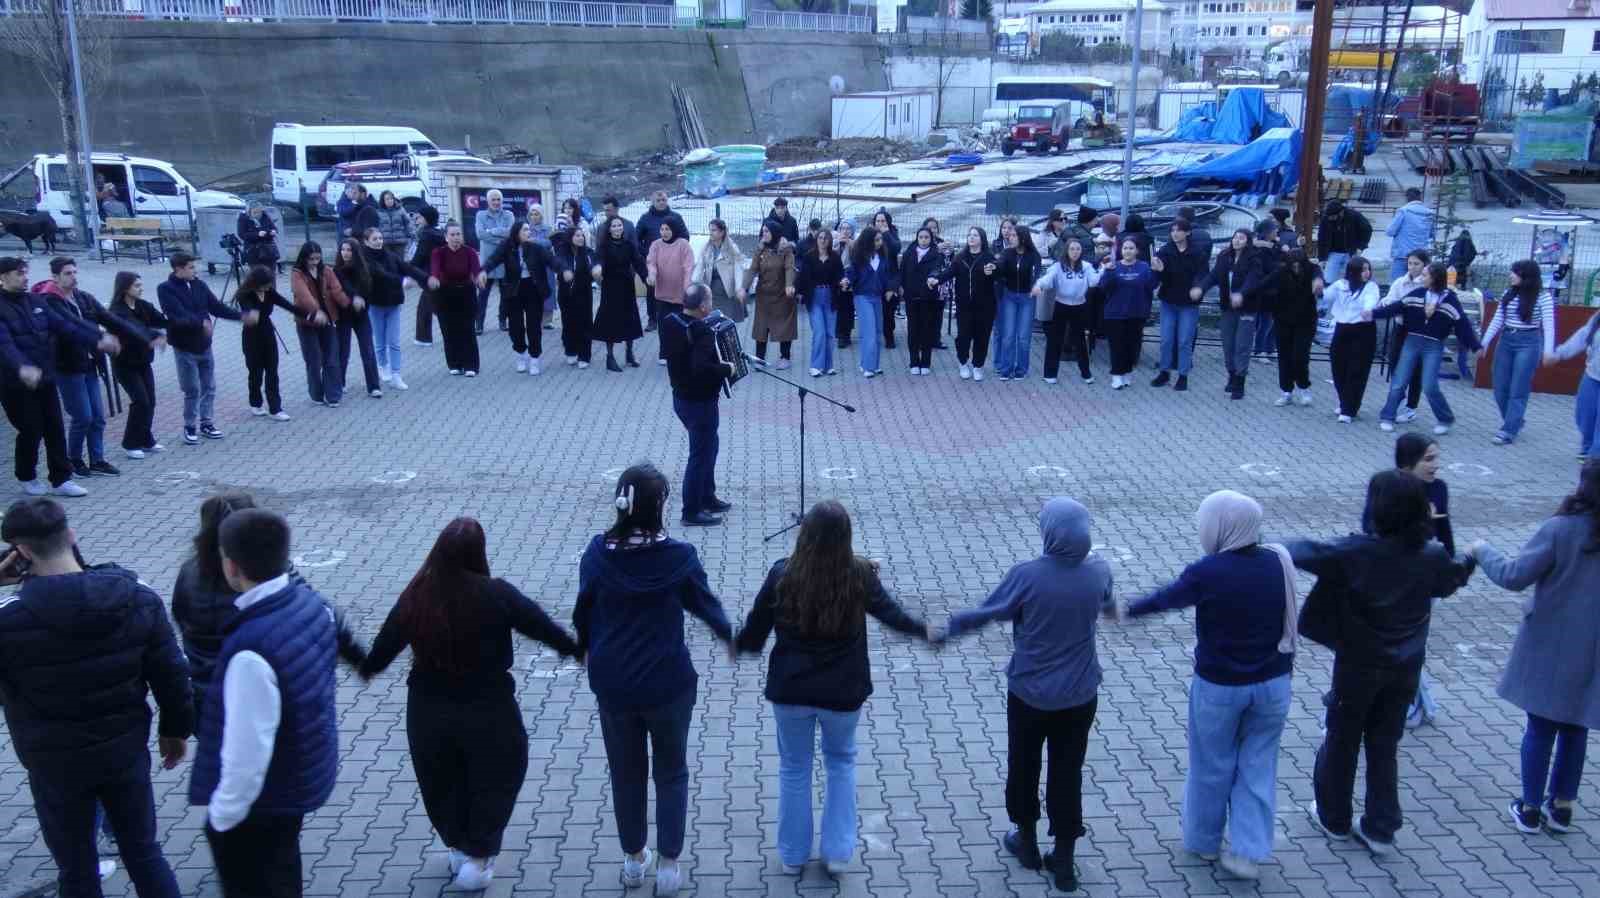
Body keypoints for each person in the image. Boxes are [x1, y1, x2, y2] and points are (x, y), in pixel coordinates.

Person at [356, 517, 583, 890]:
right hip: (488, 706)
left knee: (442, 778)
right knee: (498, 775)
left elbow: (378, 656)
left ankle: (459, 846)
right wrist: (575, 649)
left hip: (428, 708)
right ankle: (478, 855)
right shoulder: (495, 593)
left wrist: (350, 652)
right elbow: (540, 624)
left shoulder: (417, 596)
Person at [0, 497, 193, 898]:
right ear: (71, 535)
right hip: (123, 750)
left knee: (76, 868)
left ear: (20, 553)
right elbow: (173, 674)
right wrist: (175, 730)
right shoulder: (137, 596)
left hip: (53, 762)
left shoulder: (10, 620)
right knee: (143, 852)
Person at [733, 500, 932, 875]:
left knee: (794, 767)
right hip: (843, 692)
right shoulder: (859, 576)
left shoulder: (782, 574)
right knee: (840, 763)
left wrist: (738, 644)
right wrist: (923, 630)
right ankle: (838, 852)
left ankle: (792, 856)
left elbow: (756, 631)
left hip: (791, 691)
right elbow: (892, 615)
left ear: (803, 536)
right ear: (847, 539)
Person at [1292, 470, 1475, 856]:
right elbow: (1450, 581)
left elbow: (1305, 551)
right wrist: (1472, 559)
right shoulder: (1432, 555)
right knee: (1384, 743)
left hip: (1358, 665)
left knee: (1342, 738)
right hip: (1405, 668)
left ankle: (1333, 817)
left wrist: (1254, 542)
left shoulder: (1357, 552)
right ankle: (1380, 826)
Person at [574, 463, 734, 896]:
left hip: (614, 684)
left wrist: (583, 646)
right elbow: (704, 603)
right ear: (660, 505)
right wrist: (727, 633)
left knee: (625, 773)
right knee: (672, 771)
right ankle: (669, 866)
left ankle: (632, 860)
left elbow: (583, 610)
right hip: (668, 683)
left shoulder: (597, 554)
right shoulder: (679, 558)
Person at [943, 498, 1115, 894]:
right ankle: (1066, 861)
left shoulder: (1028, 575)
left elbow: (990, 611)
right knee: (1067, 770)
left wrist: (950, 629)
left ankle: (1027, 842)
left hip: (1030, 694)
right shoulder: (1099, 571)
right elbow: (1107, 604)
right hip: (1080, 695)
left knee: (1024, 764)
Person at [1127, 491, 1297, 880]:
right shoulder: (1277, 560)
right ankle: (1248, 852)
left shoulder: (1208, 571)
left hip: (1220, 687)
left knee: (1211, 763)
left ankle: (1204, 842)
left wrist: (1125, 611)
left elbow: (1165, 600)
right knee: (1258, 765)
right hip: (1273, 684)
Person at [189, 508, 339, 898]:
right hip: (300, 778)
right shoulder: (310, 604)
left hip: (264, 801)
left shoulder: (250, 650)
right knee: (283, 869)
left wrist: (221, 817)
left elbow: (247, 753)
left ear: (233, 567)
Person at [1469, 460, 1600, 834]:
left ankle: (1529, 808)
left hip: (1550, 646)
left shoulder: (1561, 529)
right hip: (1593, 652)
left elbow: (1514, 576)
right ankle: (1562, 808)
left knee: (1541, 728)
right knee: (1576, 728)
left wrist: (1482, 550)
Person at [35, 256, 154, 478]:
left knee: (98, 417)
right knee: (82, 417)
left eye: (75, 272)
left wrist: (143, 337)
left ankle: (97, 460)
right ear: (55, 276)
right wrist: (99, 338)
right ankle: (74, 460)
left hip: (90, 363)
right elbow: (71, 328)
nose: (73, 277)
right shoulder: (50, 301)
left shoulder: (84, 298)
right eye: (68, 273)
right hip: (68, 367)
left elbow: (111, 319)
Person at [172, 492, 256, 723]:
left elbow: (179, 617)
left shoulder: (189, 571)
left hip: (205, 696)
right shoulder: (252, 584)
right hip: (249, 700)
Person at [1371, 261, 1481, 435]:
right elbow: (1396, 307)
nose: (1421, 277)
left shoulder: (1450, 300)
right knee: (1399, 381)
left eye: (1425, 275)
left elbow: (1462, 325)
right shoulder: (1417, 294)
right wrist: (1372, 313)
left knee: (1429, 385)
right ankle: (1387, 416)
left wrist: (1475, 346)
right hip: (1412, 342)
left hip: (1434, 346)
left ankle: (1445, 419)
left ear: (1435, 278)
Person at [661, 284, 734, 526]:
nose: (712, 304)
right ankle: (691, 511)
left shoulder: (670, 320)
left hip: (681, 399)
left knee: (709, 446)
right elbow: (701, 369)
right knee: (700, 454)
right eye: (710, 299)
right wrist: (727, 368)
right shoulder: (702, 332)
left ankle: (707, 496)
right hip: (700, 403)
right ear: (703, 306)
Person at [157, 252, 241, 445]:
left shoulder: (199, 285)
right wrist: (200, 322)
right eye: (191, 267)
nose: (195, 271)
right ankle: (189, 426)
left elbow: (216, 307)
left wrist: (240, 316)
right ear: (179, 269)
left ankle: (207, 422)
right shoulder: (165, 289)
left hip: (204, 344)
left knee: (209, 386)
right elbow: (176, 315)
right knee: (192, 389)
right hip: (184, 347)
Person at [1480, 259, 1555, 445]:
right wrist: (1485, 342)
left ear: (1526, 276)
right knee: (1499, 387)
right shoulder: (1508, 293)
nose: (1511, 275)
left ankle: (1508, 429)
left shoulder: (1543, 297)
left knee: (1518, 389)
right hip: (1506, 341)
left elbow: (1549, 325)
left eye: (1515, 272)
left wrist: (1548, 350)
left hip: (1528, 342)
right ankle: (1515, 420)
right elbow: (1498, 319)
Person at [106, 273, 169, 458]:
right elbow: (133, 329)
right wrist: (155, 335)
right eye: (137, 285)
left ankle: (146, 439)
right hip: (125, 364)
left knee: (150, 401)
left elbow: (161, 320)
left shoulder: (142, 305)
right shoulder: (116, 311)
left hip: (143, 362)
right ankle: (130, 443)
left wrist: (175, 326)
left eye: (141, 285)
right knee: (140, 401)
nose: (141, 288)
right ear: (125, 288)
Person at [481, 221, 557, 375]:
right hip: (513, 290)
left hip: (533, 289)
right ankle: (521, 353)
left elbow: (552, 260)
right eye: (525, 230)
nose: (528, 232)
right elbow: (493, 259)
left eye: (529, 229)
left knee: (534, 326)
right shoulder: (506, 246)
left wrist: (564, 270)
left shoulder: (536, 247)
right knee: (515, 327)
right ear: (516, 232)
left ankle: (535, 357)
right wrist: (483, 271)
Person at [235, 265, 299, 421]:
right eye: (265, 284)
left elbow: (286, 304)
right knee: (255, 372)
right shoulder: (245, 294)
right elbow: (248, 308)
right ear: (256, 283)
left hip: (268, 334)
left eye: (269, 283)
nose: (268, 287)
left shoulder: (269, 292)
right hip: (252, 338)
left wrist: (309, 314)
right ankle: (256, 403)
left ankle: (275, 408)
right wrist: (252, 313)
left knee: (272, 371)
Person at [288, 242, 349, 404]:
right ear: (304, 258)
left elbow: (337, 289)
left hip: (328, 321)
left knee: (331, 359)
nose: (315, 262)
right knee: (314, 360)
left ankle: (333, 395)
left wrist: (347, 303)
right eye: (311, 259)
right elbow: (303, 295)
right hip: (307, 323)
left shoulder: (327, 270)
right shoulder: (297, 274)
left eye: (318, 258)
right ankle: (316, 394)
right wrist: (316, 311)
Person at [1151, 220, 1209, 391]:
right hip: (1169, 301)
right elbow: (1160, 276)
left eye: (1178, 230)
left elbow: (1203, 274)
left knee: (1184, 340)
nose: (1175, 233)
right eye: (1172, 230)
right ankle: (1165, 372)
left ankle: (1183, 375)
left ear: (1187, 233)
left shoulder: (1197, 252)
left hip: (1188, 304)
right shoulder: (1165, 250)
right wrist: (1159, 270)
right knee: (1166, 339)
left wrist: (1198, 287)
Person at [1033, 237, 1099, 385]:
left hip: (1079, 307)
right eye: (1072, 249)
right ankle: (1050, 374)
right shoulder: (1058, 266)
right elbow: (1047, 279)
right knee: (1055, 340)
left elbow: (1094, 281)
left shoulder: (1086, 266)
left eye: (1078, 249)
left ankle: (1086, 374)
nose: (1075, 252)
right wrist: (1039, 286)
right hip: (1061, 305)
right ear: (1067, 250)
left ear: (1081, 251)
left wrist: (1103, 270)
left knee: (1080, 341)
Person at [1324, 255, 1382, 423]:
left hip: (1363, 330)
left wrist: (1368, 309)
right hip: (1342, 329)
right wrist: (1319, 290)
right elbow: (1327, 296)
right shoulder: (1341, 285)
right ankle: (1344, 402)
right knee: (1338, 367)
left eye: (1368, 269)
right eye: (1363, 269)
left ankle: (1349, 409)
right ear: (1353, 271)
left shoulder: (1371, 287)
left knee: (1357, 370)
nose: (1367, 273)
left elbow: (1371, 300)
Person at [1201, 229, 1257, 400]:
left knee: (1242, 345)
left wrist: (1242, 293)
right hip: (1227, 307)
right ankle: (1231, 374)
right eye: (1235, 237)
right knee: (1228, 344)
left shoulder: (1254, 259)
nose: (1237, 241)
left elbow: (1253, 279)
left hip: (1246, 307)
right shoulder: (1224, 256)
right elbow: (1213, 276)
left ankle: (1240, 381)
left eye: (1241, 238)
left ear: (1247, 242)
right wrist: (1201, 288)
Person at [359, 227, 417, 391]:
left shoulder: (391, 255)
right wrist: (401, 281)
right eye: (375, 239)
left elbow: (406, 268)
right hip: (376, 304)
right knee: (380, 340)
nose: (379, 242)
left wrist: (422, 277)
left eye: (380, 238)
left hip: (394, 303)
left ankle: (396, 374)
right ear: (366, 242)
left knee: (394, 341)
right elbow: (380, 274)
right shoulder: (365, 258)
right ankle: (383, 365)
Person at [1099, 237, 1158, 390]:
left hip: (1137, 313)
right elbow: (1104, 287)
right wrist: (1109, 271)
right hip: (1115, 313)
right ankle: (1116, 376)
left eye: (1131, 248)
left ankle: (1126, 372)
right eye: (1125, 248)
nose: (1128, 251)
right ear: (1120, 250)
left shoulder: (1144, 267)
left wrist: (1156, 271)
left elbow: (1152, 285)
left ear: (1137, 251)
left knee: (1132, 346)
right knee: (1117, 346)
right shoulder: (1114, 266)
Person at [1268, 250, 1324, 408]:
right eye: (1293, 266)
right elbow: (1265, 283)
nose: (1296, 268)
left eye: (1299, 266)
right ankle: (1286, 391)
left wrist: (1318, 284)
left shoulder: (1313, 269)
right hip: (1282, 320)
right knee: (1284, 356)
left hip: (1305, 321)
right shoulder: (1281, 271)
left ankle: (1304, 387)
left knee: (1300, 356)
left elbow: (1318, 278)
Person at [429, 224, 482, 377]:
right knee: (449, 330)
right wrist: (434, 277)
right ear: (446, 237)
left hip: (466, 292)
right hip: (445, 294)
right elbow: (435, 268)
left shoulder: (470, 252)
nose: (456, 238)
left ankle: (471, 365)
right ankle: (455, 363)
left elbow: (476, 269)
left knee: (467, 329)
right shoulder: (438, 252)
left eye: (458, 234)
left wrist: (479, 277)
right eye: (452, 235)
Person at [594, 215, 646, 372]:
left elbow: (637, 262)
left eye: (619, 226)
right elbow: (599, 260)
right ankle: (610, 358)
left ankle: (629, 353)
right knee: (611, 321)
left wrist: (646, 276)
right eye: (614, 226)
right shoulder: (603, 246)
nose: (617, 228)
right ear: (609, 229)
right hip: (610, 287)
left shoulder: (629, 244)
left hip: (627, 285)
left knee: (630, 318)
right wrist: (598, 268)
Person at [1383, 249, 1431, 420]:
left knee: (1416, 369)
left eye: (1416, 264)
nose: (1412, 267)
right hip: (1400, 328)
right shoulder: (1400, 282)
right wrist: (1394, 305)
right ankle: (1398, 400)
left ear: (1425, 265)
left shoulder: (1427, 284)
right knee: (1395, 364)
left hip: (1419, 332)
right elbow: (1388, 300)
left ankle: (1411, 407)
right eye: (1410, 263)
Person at [742, 223, 798, 368]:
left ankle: (785, 357)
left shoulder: (786, 250)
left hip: (782, 295)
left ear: (775, 232)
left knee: (784, 326)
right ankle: (759, 359)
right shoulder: (761, 249)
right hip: (763, 296)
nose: (764, 233)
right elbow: (752, 269)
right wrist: (744, 287)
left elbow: (789, 268)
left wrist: (789, 285)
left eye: (767, 231)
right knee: (761, 327)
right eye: (763, 231)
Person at [332, 238, 383, 398]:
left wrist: (360, 298)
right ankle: (340, 382)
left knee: (367, 349)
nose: (345, 253)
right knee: (343, 351)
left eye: (349, 250)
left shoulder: (364, 269)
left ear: (355, 252)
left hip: (361, 316)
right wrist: (354, 297)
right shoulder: (336, 270)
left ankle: (374, 386)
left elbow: (368, 288)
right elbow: (344, 285)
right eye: (343, 250)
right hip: (344, 315)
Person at [842, 227, 895, 379]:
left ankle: (873, 363)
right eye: (876, 240)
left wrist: (891, 288)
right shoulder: (859, 257)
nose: (879, 243)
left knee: (878, 331)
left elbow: (889, 276)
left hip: (877, 297)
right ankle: (867, 367)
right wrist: (846, 280)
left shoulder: (883, 258)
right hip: (862, 297)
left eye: (880, 240)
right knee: (869, 331)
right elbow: (851, 272)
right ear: (868, 241)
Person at [898, 226, 950, 375]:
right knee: (913, 329)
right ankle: (914, 361)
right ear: (917, 238)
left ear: (931, 238)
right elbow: (903, 271)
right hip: (911, 296)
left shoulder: (936, 254)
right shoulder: (910, 252)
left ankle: (926, 362)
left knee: (927, 329)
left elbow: (937, 270)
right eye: (921, 237)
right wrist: (901, 286)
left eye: (926, 237)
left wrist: (932, 278)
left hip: (928, 297)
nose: (923, 240)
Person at [993, 225, 1041, 381]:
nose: (1009, 237)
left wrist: (1035, 285)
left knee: (1023, 336)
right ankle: (1006, 368)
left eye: (1014, 235)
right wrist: (993, 267)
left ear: (1023, 237)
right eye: (1010, 235)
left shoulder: (1034, 255)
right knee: (1008, 335)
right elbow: (999, 267)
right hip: (1009, 296)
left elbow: (1036, 274)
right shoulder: (1007, 253)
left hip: (1027, 297)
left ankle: (1021, 369)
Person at [1552, 305, 1600, 460]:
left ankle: (1595, 457)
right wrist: (1560, 353)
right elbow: (1584, 335)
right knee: (1584, 415)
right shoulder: (1598, 317)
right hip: (1592, 374)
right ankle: (1588, 447)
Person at [646, 218, 696, 366]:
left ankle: (682, 352)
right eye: (662, 229)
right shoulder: (656, 245)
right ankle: (664, 352)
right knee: (663, 325)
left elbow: (688, 267)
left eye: (667, 229)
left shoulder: (683, 245)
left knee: (681, 325)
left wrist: (687, 287)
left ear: (674, 229)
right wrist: (652, 275)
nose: (664, 232)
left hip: (680, 295)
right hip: (662, 294)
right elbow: (651, 262)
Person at [636, 191, 688, 332]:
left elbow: (685, 237)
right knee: (652, 291)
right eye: (658, 200)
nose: (661, 202)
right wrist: (646, 252)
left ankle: (675, 318)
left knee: (674, 290)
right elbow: (636, 239)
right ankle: (653, 320)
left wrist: (675, 250)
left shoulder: (676, 217)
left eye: (664, 199)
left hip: (673, 263)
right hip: (652, 262)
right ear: (652, 201)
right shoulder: (645, 219)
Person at [951, 227, 998, 381]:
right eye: (969, 235)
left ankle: (978, 366)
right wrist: (936, 279)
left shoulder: (988, 257)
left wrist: (993, 271)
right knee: (963, 336)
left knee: (982, 337)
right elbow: (949, 272)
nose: (971, 238)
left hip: (985, 306)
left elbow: (998, 272)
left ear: (981, 239)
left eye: (975, 235)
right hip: (964, 306)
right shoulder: (960, 257)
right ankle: (963, 362)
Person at [797, 229, 845, 377]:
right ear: (816, 239)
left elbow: (840, 275)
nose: (823, 241)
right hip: (815, 297)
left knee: (830, 334)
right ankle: (816, 365)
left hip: (830, 297)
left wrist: (843, 281)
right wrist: (797, 290)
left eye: (826, 238)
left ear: (830, 241)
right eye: (820, 238)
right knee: (819, 332)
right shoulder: (809, 257)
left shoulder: (835, 257)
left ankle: (828, 365)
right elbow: (803, 276)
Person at [473, 189, 515, 334]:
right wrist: (501, 239)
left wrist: (492, 231)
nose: (496, 202)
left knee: (505, 296)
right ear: (488, 201)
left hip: (504, 263)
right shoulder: (480, 215)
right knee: (482, 296)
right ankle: (479, 324)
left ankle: (502, 321)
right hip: (487, 264)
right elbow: (480, 234)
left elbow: (511, 234)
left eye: (499, 199)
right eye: (493, 200)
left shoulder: (509, 215)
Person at [555, 225, 597, 369]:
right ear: (570, 238)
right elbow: (559, 262)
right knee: (568, 322)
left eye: (582, 235)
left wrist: (596, 270)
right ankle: (570, 349)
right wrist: (565, 269)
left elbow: (594, 263)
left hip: (583, 293)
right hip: (566, 294)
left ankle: (584, 354)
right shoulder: (562, 251)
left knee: (585, 323)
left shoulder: (588, 252)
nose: (580, 238)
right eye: (577, 236)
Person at [693, 218, 746, 324]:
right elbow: (699, 266)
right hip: (712, 291)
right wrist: (694, 284)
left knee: (727, 323)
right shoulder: (707, 247)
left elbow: (738, 269)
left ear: (722, 232)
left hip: (728, 292)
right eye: (710, 230)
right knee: (713, 321)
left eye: (714, 230)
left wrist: (739, 288)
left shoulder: (732, 248)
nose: (711, 233)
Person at [409, 206, 446, 347]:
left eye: (419, 217)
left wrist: (408, 270)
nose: (417, 220)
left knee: (429, 308)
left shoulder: (426, 235)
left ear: (426, 218)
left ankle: (424, 338)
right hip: (437, 275)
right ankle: (423, 338)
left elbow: (420, 256)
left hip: (431, 277)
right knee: (427, 307)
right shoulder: (438, 233)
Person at [1316, 198, 1371, 282]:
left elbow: (1367, 229)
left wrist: (1361, 247)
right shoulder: (1326, 218)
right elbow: (1321, 238)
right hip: (1333, 252)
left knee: (1351, 279)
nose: (1331, 218)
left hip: (1351, 252)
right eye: (1329, 217)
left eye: (1333, 216)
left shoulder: (1354, 216)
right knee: (1328, 279)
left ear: (1340, 213)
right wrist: (1321, 259)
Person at [1386, 187, 1434, 281]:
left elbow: (1390, 231)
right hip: (1421, 257)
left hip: (1402, 255)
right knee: (1419, 285)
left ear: (1407, 198)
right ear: (1420, 197)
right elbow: (1432, 234)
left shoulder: (1403, 211)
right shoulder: (1430, 213)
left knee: (1397, 285)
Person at [871, 210, 902, 348]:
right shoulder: (870, 235)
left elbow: (896, 249)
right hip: (874, 279)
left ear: (888, 222)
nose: (880, 223)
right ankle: (875, 336)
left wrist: (886, 233)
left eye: (883, 221)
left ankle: (889, 336)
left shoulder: (892, 234)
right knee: (876, 311)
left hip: (890, 279)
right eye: (878, 221)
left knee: (889, 311)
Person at [832, 220, 857, 348]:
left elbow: (857, 262)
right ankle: (840, 333)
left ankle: (845, 334)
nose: (845, 231)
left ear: (852, 231)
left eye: (848, 229)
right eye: (843, 228)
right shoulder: (835, 243)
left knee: (847, 308)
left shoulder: (856, 244)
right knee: (839, 307)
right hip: (836, 278)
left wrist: (850, 245)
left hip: (850, 278)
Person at [236, 202, 279, 269]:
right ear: (249, 212)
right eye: (255, 212)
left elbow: (274, 228)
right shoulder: (243, 218)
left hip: (268, 249)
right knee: (257, 274)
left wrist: (273, 231)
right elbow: (242, 234)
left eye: (259, 212)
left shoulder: (265, 216)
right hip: (253, 250)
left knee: (271, 273)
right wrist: (257, 234)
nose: (258, 214)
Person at [335, 183, 379, 247]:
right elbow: (343, 214)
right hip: (345, 238)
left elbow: (370, 226)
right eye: (350, 192)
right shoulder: (345, 201)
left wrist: (354, 231)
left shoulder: (369, 206)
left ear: (363, 194)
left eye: (355, 193)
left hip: (362, 241)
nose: (352, 195)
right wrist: (354, 203)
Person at [374, 191, 414, 259]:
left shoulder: (400, 209)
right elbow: (377, 226)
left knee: (400, 262)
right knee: (389, 262)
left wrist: (411, 234)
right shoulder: (379, 212)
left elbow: (407, 223)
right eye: (387, 199)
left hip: (400, 242)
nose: (390, 201)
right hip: (386, 242)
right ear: (383, 201)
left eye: (391, 198)